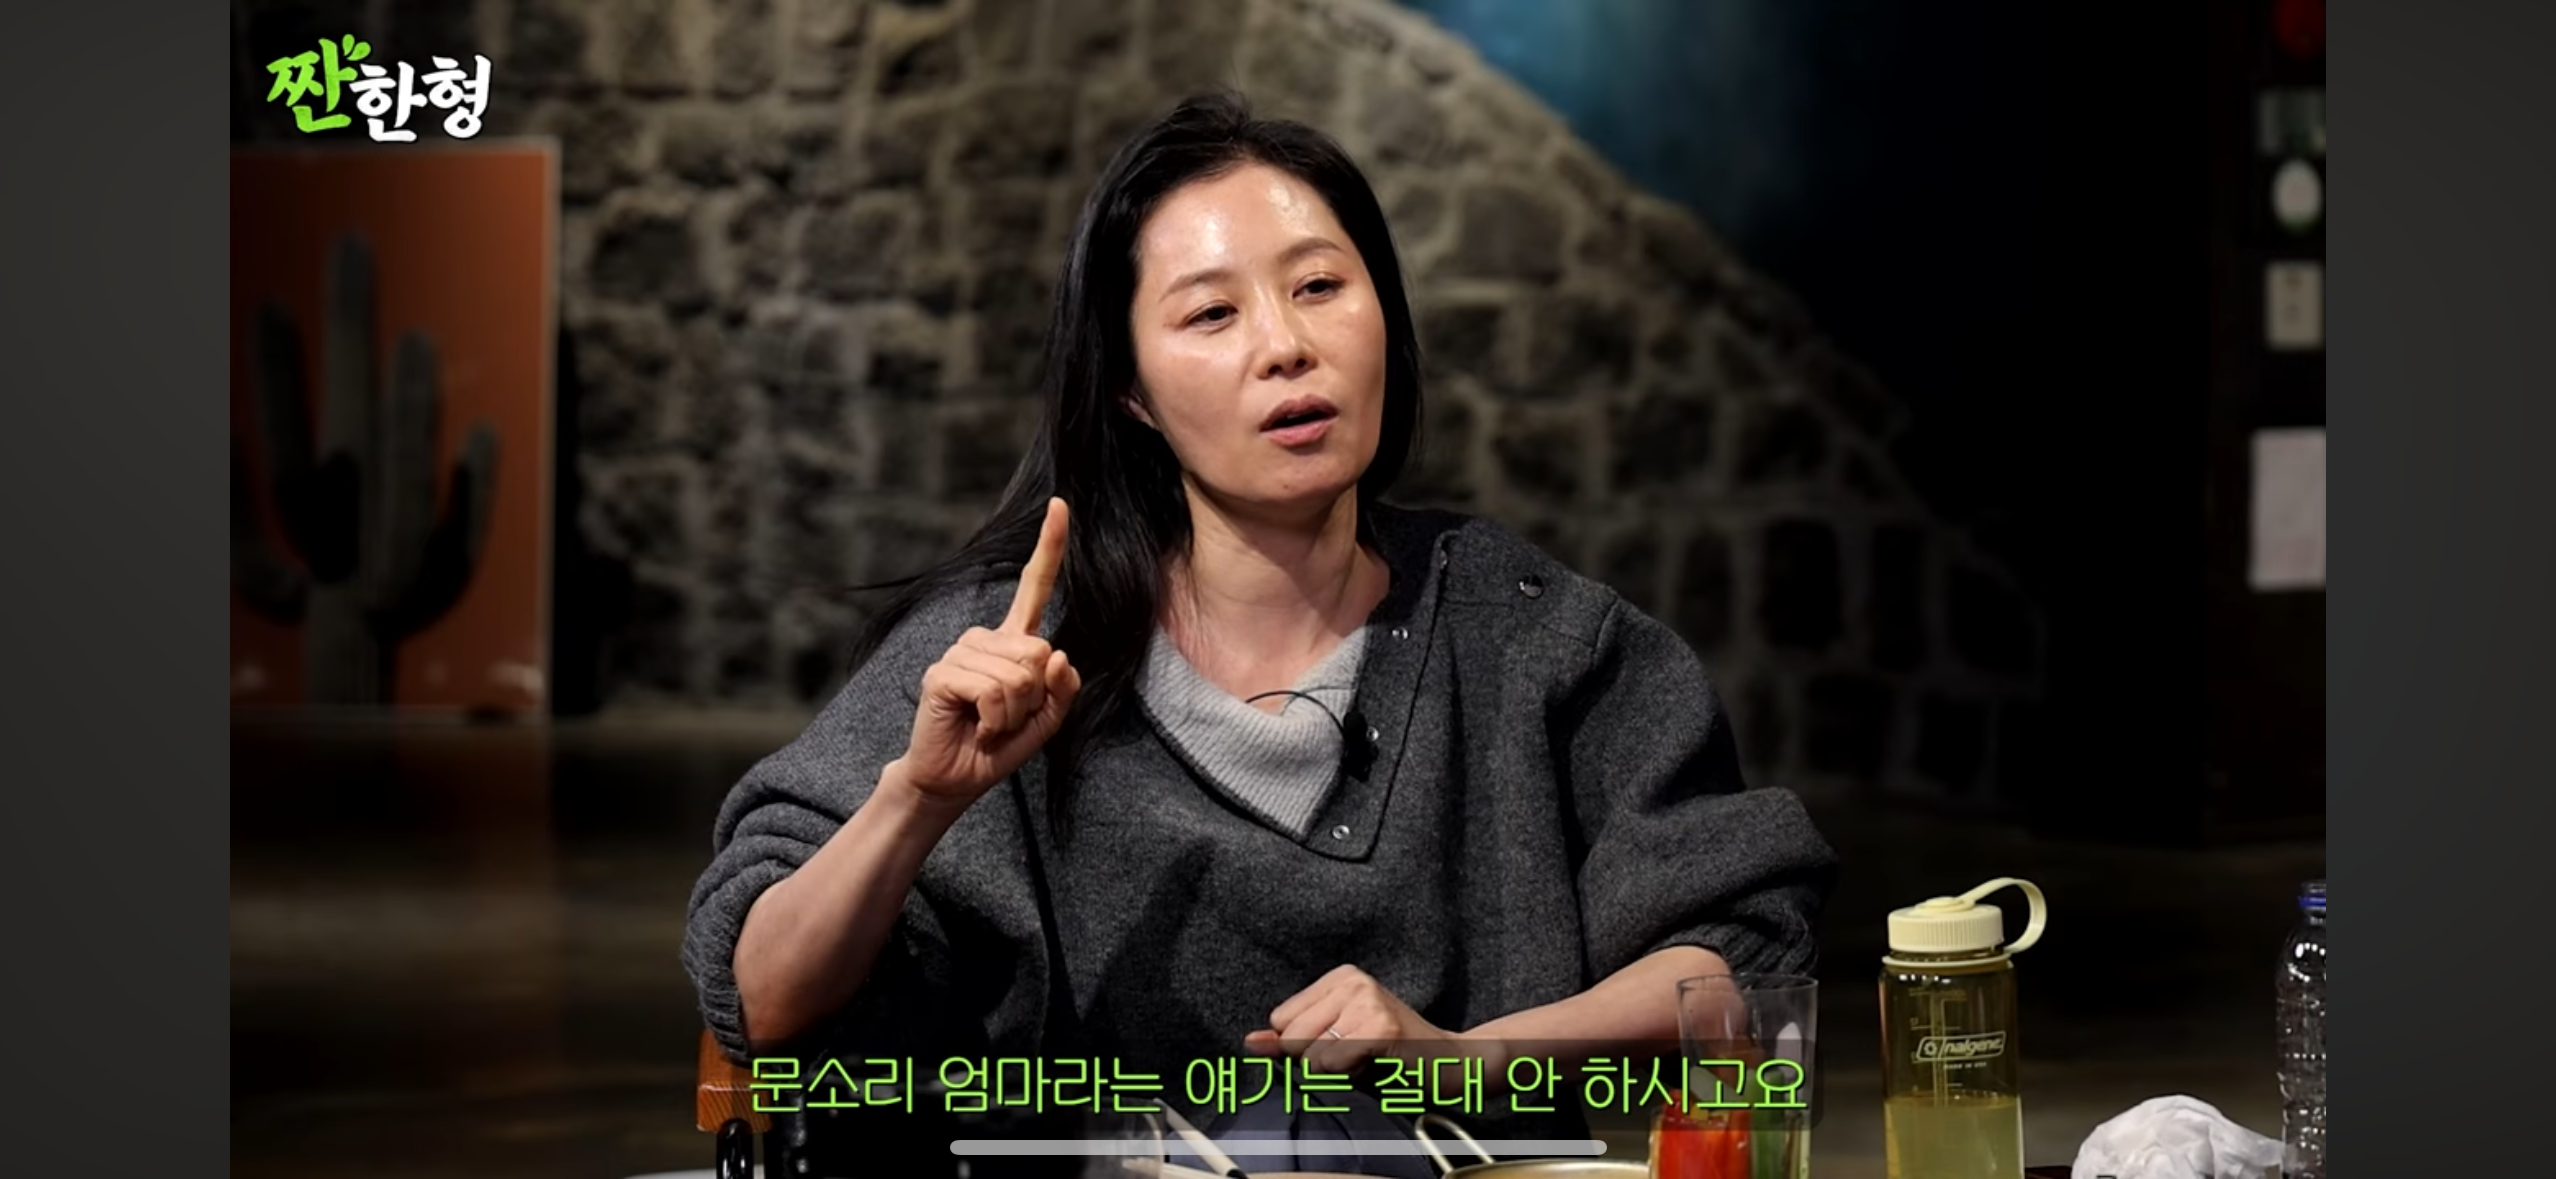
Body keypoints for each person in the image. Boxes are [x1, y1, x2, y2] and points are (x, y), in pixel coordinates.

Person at [683, 89, 1838, 1174]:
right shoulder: (1002, 657)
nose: (1285, 345)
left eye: (1320, 286)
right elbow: (762, 1006)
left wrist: (1463, 1056)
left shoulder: (1534, 638)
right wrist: (916, 803)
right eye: (1212, 313)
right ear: (1130, 390)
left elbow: (1743, 964)